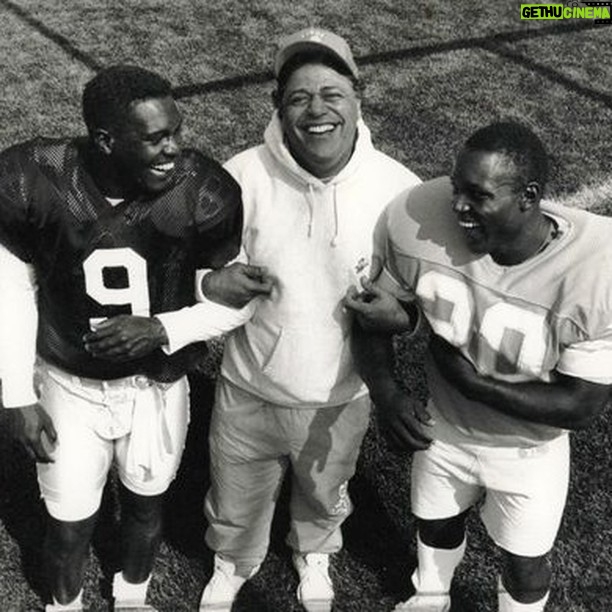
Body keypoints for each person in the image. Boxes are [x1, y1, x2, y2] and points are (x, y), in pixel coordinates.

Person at [0, 65, 270, 611]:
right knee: (68, 522)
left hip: (157, 384)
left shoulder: (204, 190)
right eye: (155, 138)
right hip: (69, 382)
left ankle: (132, 598)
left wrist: (162, 328)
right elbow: (11, 287)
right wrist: (16, 395)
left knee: (146, 506)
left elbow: (237, 303)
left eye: (175, 131)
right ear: (105, 140)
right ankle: (64, 605)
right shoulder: (35, 177)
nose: (174, 149)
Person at [344, 121, 612, 611]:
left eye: (478, 195)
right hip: (443, 429)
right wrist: (387, 393)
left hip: (529, 450)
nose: (458, 207)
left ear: (528, 197)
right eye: (456, 188)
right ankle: (431, 597)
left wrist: (473, 383)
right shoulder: (413, 218)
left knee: (525, 562)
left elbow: (580, 405)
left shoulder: (598, 268)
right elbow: (371, 314)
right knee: (433, 522)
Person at [198, 27, 421, 612]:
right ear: (278, 107)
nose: (316, 110)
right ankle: (232, 561)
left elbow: (429, 296)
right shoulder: (239, 176)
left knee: (325, 490)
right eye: (298, 97)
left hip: (341, 394)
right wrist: (212, 281)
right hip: (249, 387)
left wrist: (404, 318)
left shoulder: (399, 189)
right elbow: (195, 268)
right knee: (236, 491)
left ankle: (314, 552)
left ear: (357, 98)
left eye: (332, 93)